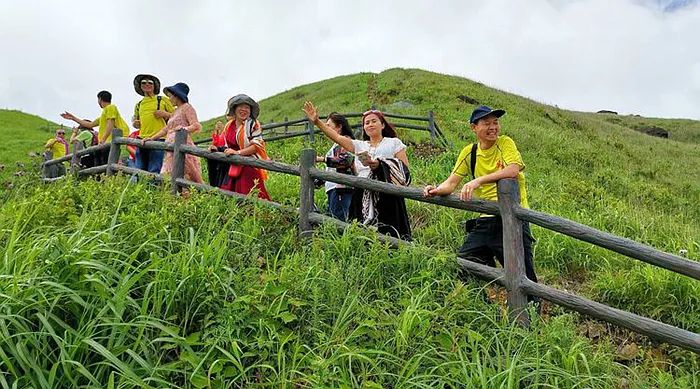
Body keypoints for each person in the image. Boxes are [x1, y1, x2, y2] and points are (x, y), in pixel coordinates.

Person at [422, 105, 539, 304]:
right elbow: (451, 183)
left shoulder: (505, 143)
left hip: (513, 223)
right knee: (464, 264)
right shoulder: (470, 152)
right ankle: (486, 310)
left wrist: (479, 180)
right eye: (487, 123)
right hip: (485, 222)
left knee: (524, 276)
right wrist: (434, 190)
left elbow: (513, 170)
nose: (493, 127)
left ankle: (528, 326)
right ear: (473, 128)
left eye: (495, 122)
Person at [303, 102, 411, 240]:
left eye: (374, 121)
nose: (370, 124)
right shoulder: (361, 145)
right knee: (363, 233)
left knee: (391, 232)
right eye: (366, 123)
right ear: (364, 128)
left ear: (382, 125)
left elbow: (404, 169)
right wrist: (317, 122)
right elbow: (337, 137)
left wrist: (380, 166)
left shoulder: (394, 143)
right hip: (362, 192)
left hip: (388, 194)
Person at [209, 95, 271, 199]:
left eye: (247, 107)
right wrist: (217, 148)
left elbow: (257, 146)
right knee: (229, 196)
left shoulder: (252, 124)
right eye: (240, 107)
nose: (244, 110)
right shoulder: (229, 125)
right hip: (232, 166)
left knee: (250, 195)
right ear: (234, 109)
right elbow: (225, 144)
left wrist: (238, 153)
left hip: (248, 165)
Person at [142, 82, 203, 184]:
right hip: (170, 147)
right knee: (169, 173)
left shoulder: (187, 107)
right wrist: (152, 138)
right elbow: (166, 129)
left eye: (170, 96)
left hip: (182, 144)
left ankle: (185, 196)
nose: (169, 99)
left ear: (177, 96)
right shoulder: (175, 111)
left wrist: (183, 129)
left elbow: (195, 125)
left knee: (185, 172)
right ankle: (172, 196)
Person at [60, 90, 130, 166]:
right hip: (106, 143)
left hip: (109, 143)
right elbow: (90, 124)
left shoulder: (111, 107)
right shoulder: (104, 113)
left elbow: (110, 123)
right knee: (103, 166)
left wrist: (103, 139)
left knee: (107, 165)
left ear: (99, 99)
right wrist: (73, 118)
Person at [315, 112, 356, 221]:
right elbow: (333, 169)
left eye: (328, 126)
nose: (325, 128)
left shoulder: (345, 141)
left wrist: (321, 159)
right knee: (335, 219)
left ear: (339, 127)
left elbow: (346, 160)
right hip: (335, 188)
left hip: (341, 188)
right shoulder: (336, 145)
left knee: (338, 220)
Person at [132, 74, 175, 174]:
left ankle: (154, 188)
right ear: (140, 86)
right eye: (143, 82)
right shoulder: (138, 105)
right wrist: (135, 124)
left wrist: (165, 114)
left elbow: (178, 116)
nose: (147, 84)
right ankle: (143, 188)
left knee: (155, 168)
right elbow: (137, 123)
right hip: (141, 139)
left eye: (150, 82)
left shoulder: (163, 100)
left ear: (154, 85)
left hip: (159, 138)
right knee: (139, 168)